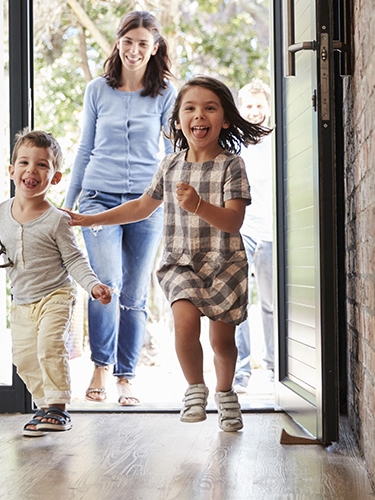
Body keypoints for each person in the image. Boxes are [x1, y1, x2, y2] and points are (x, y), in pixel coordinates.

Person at [63, 76, 272, 432]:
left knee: (222, 342)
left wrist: (199, 205)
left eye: (209, 108)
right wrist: (91, 218)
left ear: (225, 119)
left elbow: (234, 221)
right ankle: (195, 389)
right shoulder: (170, 165)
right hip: (181, 263)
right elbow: (141, 207)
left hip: (224, 264)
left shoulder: (232, 165)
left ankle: (225, 393)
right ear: (177, 120)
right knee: (185, 324)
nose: (198, 115)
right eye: (189, 108)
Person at [0, 129, 112, 437]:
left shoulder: (57, 220)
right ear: (11, 170)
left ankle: (58, 407)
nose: (32, 170)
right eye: (24, 162)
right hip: (21, 300)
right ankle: (45, 407)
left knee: (49, 346)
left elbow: (74, 260)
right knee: (24, 358)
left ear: (55, 178)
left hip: (56, 294)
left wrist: (93, 285)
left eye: (42, 165)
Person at [63, 10, 177, 407]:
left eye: (143, 43)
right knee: (106, 283)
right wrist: (68, 204)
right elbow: (84, 148)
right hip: (98, 198)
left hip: (147, 203)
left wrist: (174, 202)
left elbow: (172, 153)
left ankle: (126, 375)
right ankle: (100, 366)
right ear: (118, 42)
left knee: (134, 291)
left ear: (155, 48)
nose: (134, 50)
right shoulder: (98, 89)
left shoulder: (165, 94)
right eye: (128, 41)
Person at [233, 79, 276, 392]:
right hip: (243, 230)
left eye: (259, 105)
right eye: (248, 105)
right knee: (239, 303)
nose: (254, 111)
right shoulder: (235, 146)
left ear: (268, 107)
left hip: (272, 232)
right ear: (240, 108)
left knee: (272, 305)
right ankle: (242, 371)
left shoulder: (279, 142)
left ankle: (275, 368)